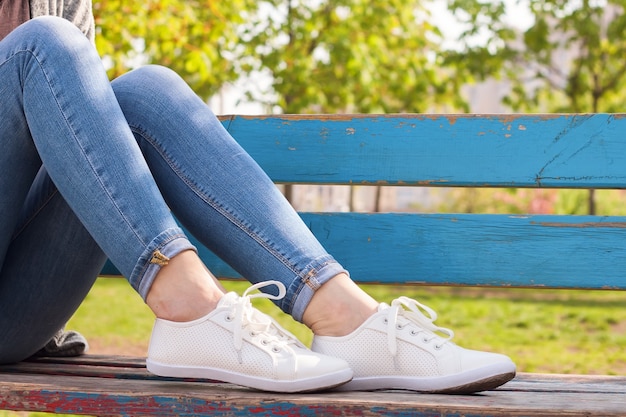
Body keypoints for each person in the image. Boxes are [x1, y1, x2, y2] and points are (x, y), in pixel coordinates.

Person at [0, 0, 516, 394]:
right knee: (41, 45)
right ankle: (189, 307)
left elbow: (73, 130)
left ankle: (342, 315)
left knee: (140, 92)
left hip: (21, 303)